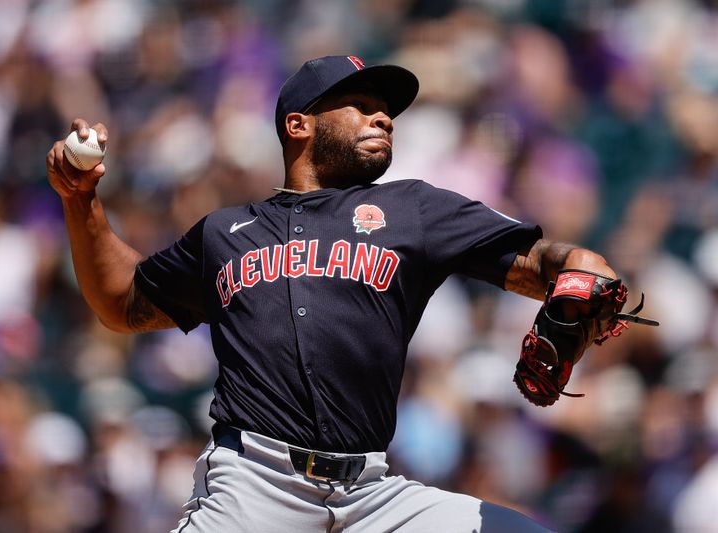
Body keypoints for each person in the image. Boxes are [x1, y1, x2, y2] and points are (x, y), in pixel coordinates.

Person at [47, 55, 620, 532]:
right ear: (299, 125)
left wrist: (579, 265)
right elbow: (123, 302)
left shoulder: (414, 209)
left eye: (388, 111)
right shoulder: (225, 233)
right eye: (364, 106)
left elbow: (535, 263)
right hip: (253, 486)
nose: (385, 119)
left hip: (374, 496)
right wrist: (81, 203)